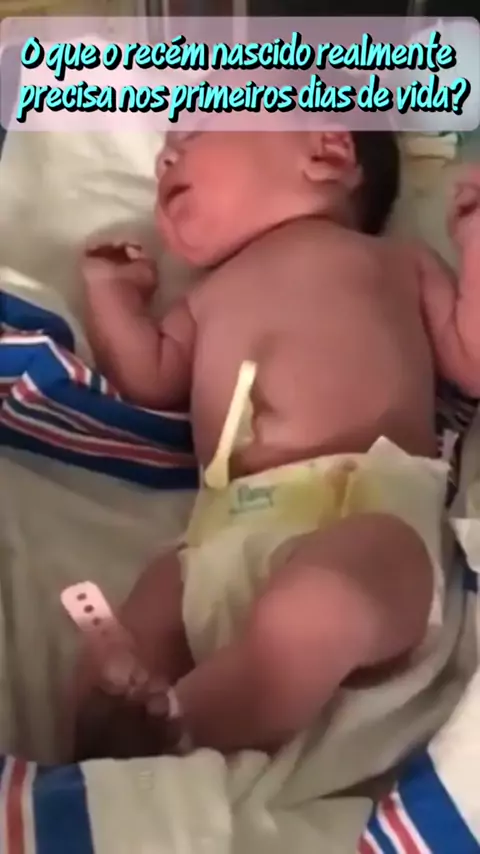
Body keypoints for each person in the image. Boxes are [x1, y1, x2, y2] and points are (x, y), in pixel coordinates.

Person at [72, 127, 480, 760]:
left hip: (365, 517)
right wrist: (111, 299)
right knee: (148, 608)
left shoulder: (394, 262)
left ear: (327, 151)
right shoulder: (207, 294)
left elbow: (472, 361)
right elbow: (150, 377)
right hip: (220, 540)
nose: (165, 154)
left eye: (200, 128)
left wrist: (474, 245)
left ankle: (193, 717)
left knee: (322, 604)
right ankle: (113, 720)